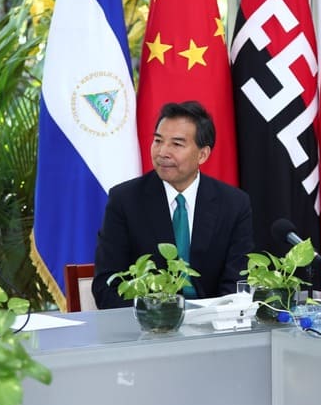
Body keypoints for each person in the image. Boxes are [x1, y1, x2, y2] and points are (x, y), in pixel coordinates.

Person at [92, 101, 253, 309]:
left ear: (202, 154)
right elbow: (106, 286)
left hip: (212, 322)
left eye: (176, 144)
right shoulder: (125, 200)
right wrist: (158, 316)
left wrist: (211, 318)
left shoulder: (233, 203)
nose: (162, 152)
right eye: (158, 141)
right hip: (150, 322)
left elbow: (236, 283)